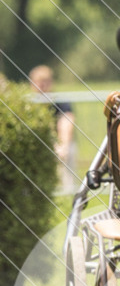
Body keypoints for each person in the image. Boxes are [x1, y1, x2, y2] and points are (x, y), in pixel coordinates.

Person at [28, 65, 77, 194]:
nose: (41, 86)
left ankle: (67, 195)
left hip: (58, 143)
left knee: (66, 170)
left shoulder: (60, 102)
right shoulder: (28, 104)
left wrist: (62, 145)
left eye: (45, 81)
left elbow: (66, 122)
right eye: (38, 82)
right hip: (37, 145)